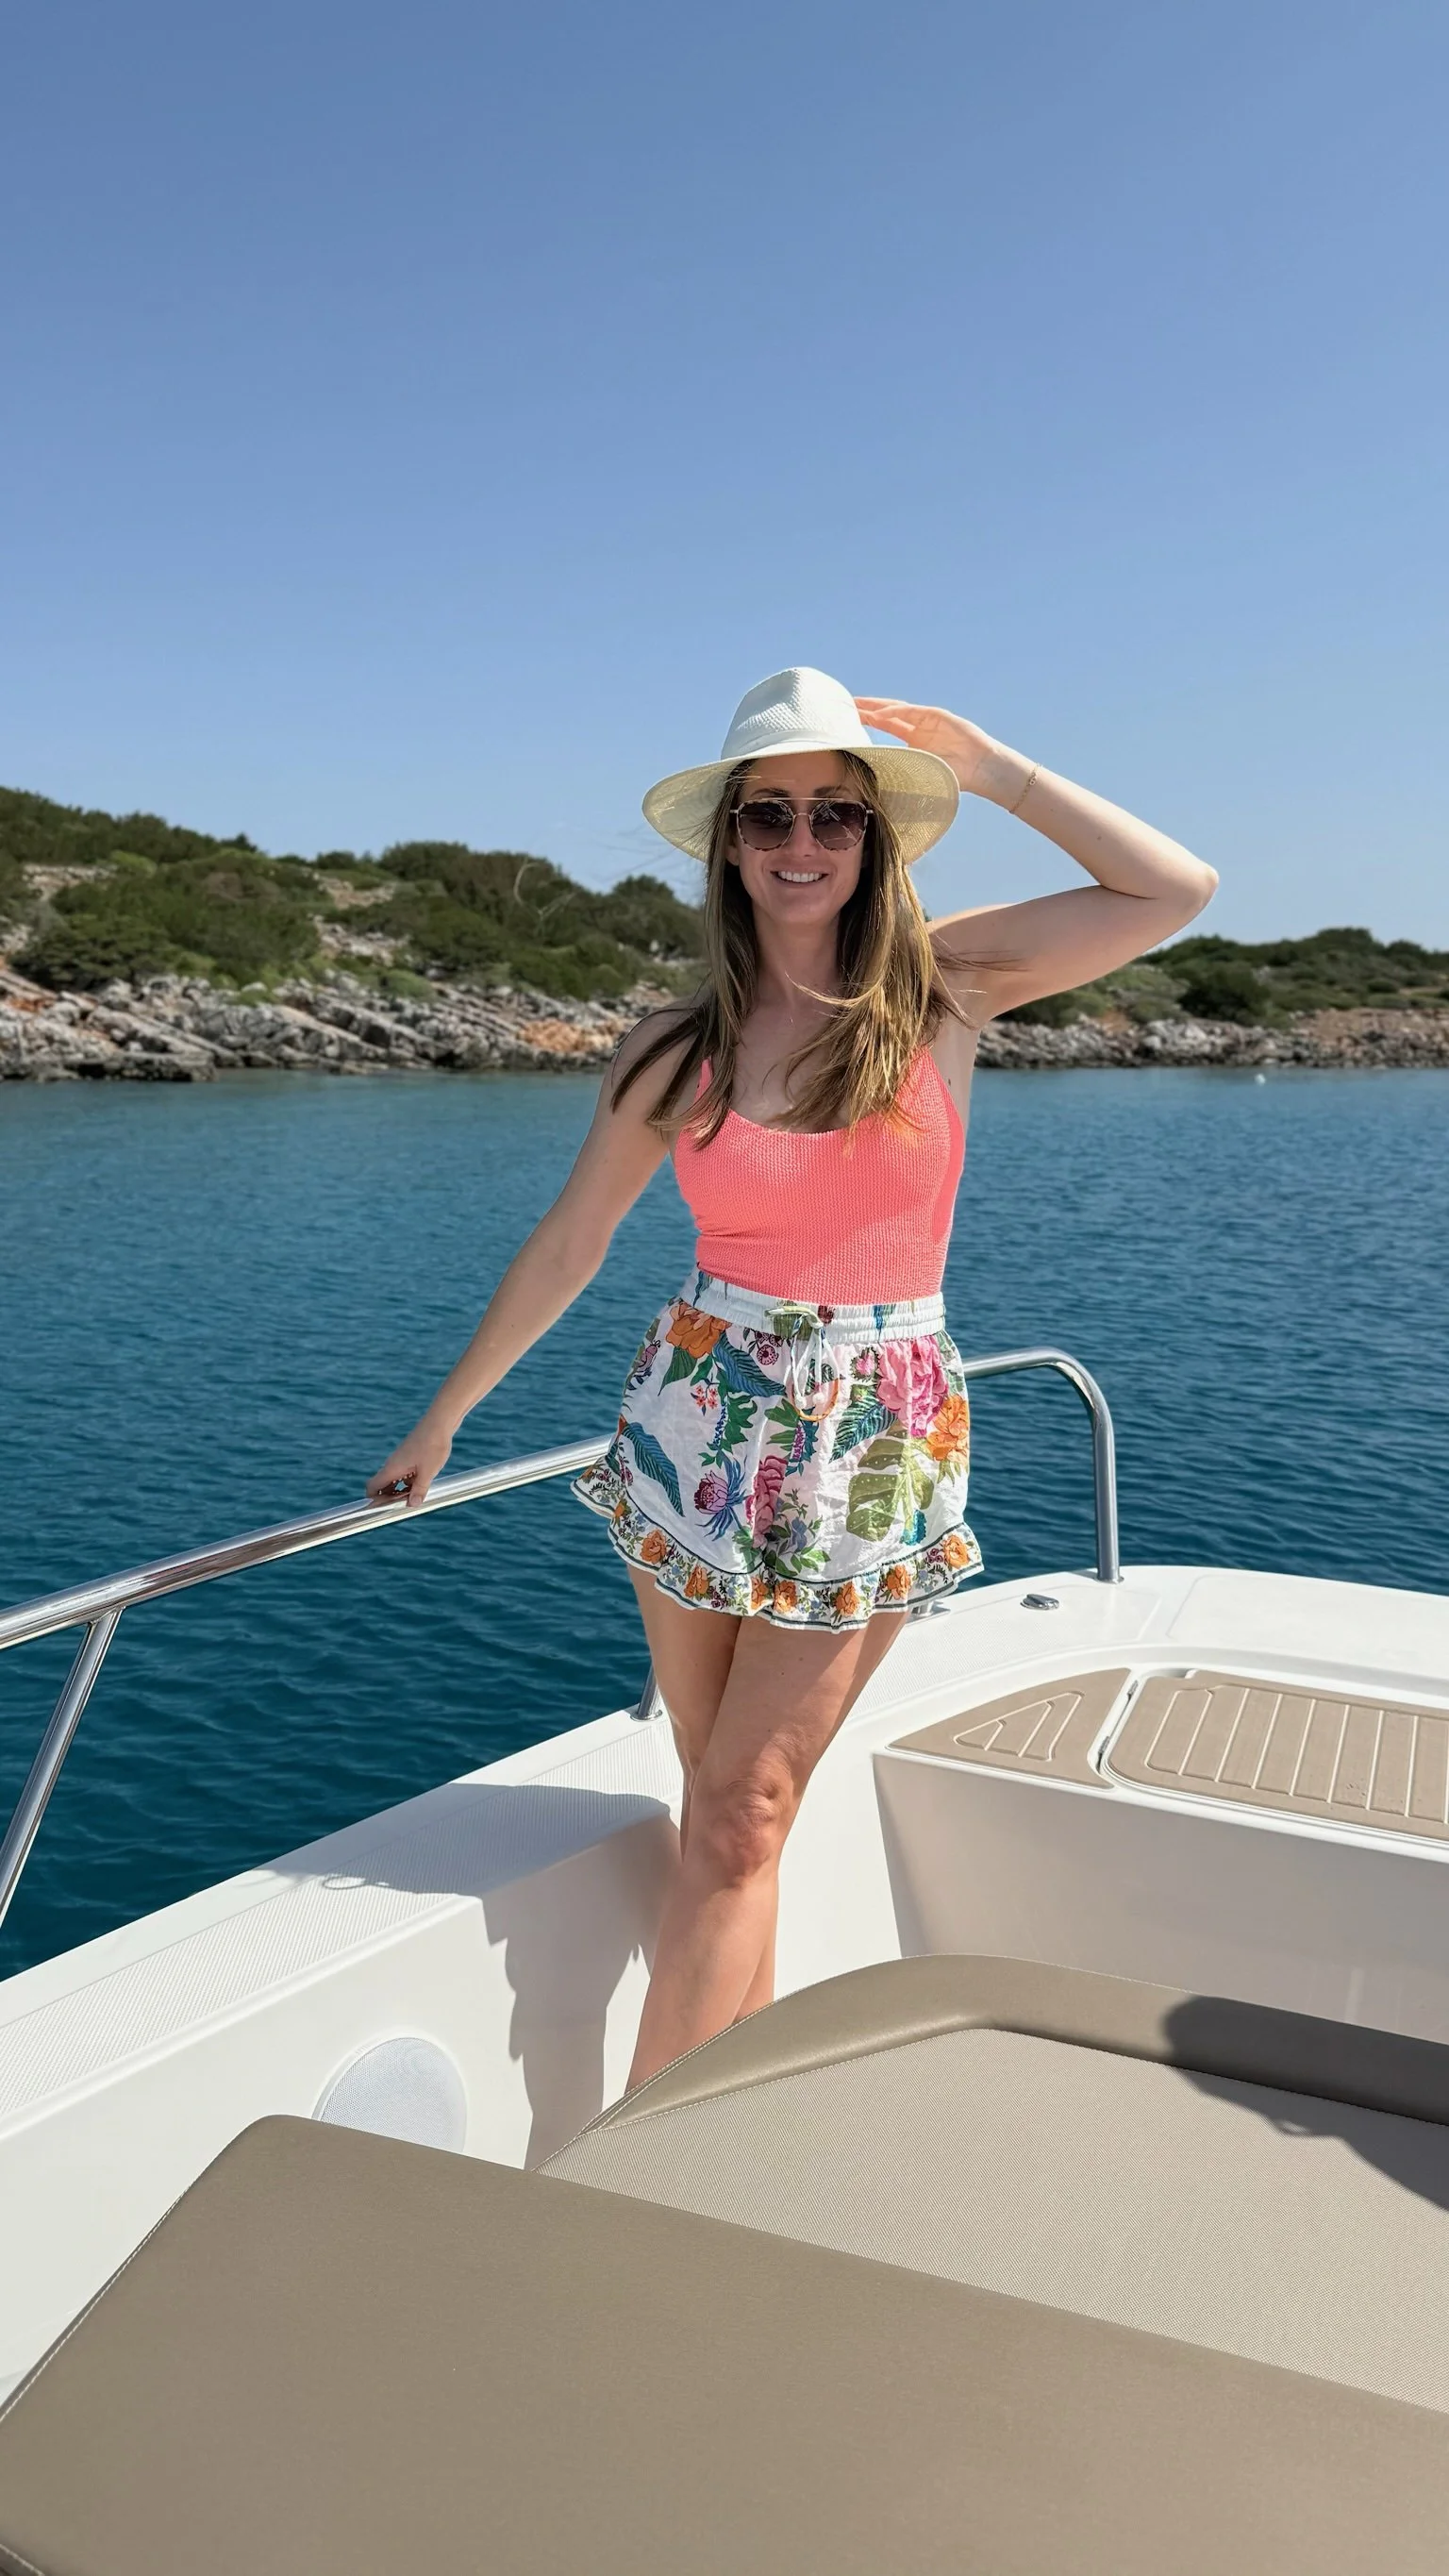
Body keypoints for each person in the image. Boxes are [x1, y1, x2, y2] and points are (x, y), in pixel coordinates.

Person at [366, 667, 1217, 2089]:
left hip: (876, 1425)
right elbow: (572, 1242)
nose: (802, 840)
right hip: (699, 1412)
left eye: (836, 812)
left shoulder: (940, 989)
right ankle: (728, 2113)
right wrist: (445, 1414)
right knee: (720, 1798)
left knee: (746, 1807)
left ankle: (638, 2162)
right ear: (730, 842)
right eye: (769, 813)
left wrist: (993, 767)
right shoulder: (674, 1049)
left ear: (875, 838)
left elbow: (1172, 888)